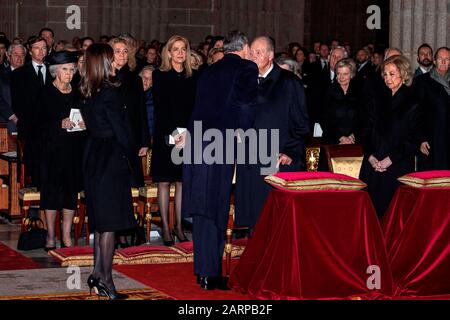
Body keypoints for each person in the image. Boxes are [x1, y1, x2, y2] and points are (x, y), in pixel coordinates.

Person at [182, 30, 258, 290]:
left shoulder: (209, 70)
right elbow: (246, 105)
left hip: (197, 144)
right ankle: (210, 274)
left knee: (204, 209)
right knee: (216, 207)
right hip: (220, 145)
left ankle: (204, 272)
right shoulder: (246, 67)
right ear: (244, 47)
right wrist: (244, 134)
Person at [235, 36, 309, 229]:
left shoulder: (289, 82)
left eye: (258, 52)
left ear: (270, 55)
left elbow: (301, 124)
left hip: (276, 159)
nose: (253, 56)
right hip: (249, 159)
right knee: (253, 220)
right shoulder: (244, 81)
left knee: (274, 220)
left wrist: (290, 152)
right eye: (251, 52)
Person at [80, 43, 135, 300]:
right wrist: (131, 150)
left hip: (93, 156)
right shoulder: (110, 92)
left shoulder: (87, 91)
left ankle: (96, 274)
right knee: (109, 223)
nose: (115, 63)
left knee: (101, 222)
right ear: (104, 63)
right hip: (110, 157)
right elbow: (121, 131)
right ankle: (107, 281)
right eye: (112, 59)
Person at [36, 51, 85, 251]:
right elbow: (37, 124)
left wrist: (84, 122)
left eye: (72, 69)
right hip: (51, 151)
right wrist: (59, 123)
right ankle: (50, 235)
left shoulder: (78, 92)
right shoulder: (45, 93)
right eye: (65, 69)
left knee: (69, 193)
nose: (69, 73)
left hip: (73, 150)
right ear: (56, 71)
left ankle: (66, 236)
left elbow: (86, 116)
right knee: (51, 193)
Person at [359, 55, 420, 218]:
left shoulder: (413, 101)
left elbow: (413, 139)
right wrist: (371, 156)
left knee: (394, 215)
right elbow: (366, 130)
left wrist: (390, 159)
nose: (387, 78)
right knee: (371, 213)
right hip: (373, 164)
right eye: (385, 74)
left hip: (397, 165)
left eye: (392, 74)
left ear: (403, 74)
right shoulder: (377, 98)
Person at [151, 35, 197, 246]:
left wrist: (187, 131)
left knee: (181, 181)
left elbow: (195, 108)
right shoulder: (159, 76)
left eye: (183, 49)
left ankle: (179, 226)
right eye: (175, 49)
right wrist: (172, 133)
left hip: (187, 135)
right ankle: (166, 228)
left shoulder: (193, 76)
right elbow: (161, 108)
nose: (180, 53)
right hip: (165, 134)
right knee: (164, 181)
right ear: (168, 53)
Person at [110, 37, 149, 247]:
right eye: (118, 51)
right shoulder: (105, 77)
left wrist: (143, 140)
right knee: (114, 187)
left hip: (131, 138)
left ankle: (126, 231)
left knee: (128, 187)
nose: (122, 55)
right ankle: (113, 231)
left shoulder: (134, 79)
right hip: (111, 140)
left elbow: (141, 111)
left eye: (125, 51)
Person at [11, 36, 51, 186]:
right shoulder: (19, 74)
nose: (41, 51)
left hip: (51, 131)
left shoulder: (54, 71)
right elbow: (19, 105)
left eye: (44, 48)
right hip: (31, 131)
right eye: (37, 48)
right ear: (30, 51)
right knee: (33, 173)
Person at [414, 47, 450, 170]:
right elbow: (416, 112)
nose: (444, 62)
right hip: (431, 140)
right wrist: (420, 138)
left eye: (447, 59)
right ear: (434, 61)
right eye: (440, 59)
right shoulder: (422, 81)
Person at [321, 58, 360, 146]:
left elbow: (363, 118)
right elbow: (324, 119)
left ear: (352, 74)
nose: (341, 77)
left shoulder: (359, 91)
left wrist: (352, 136)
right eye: (338, 73)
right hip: (333, 140)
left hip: (355, 140)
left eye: (345, 74)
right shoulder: (328, 91)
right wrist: (340, 137)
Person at [0, 44, 26, 133]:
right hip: (6, 122)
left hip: (28, 123)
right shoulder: (1, 75)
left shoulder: (32, 75)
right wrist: (11, 115)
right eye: (16, 54)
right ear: (8, 56)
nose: (19, 57)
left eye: (22, 55)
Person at [139, 65, 155, 141]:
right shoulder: (130, 95)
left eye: (149, 78)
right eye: (144, 77)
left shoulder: (155, 99)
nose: (145, 80)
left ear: (152, 83)